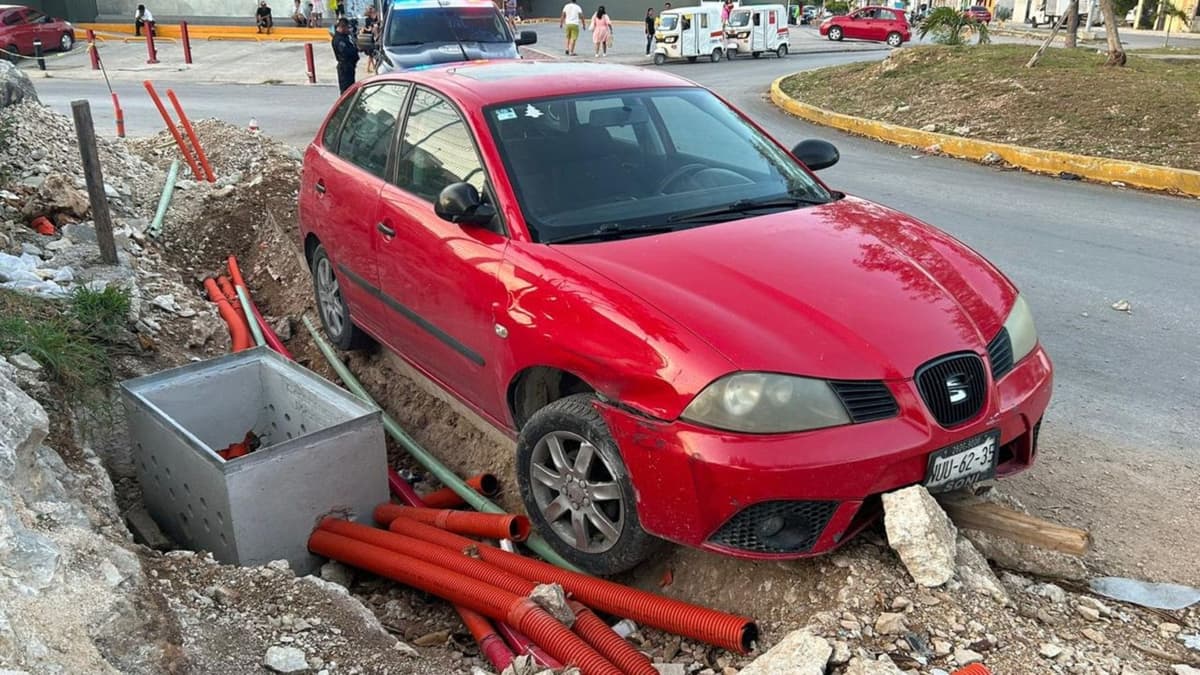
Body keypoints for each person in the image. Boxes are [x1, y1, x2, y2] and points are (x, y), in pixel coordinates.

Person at [332, 17, 359, 94]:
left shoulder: (345, 37)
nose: (348, 30)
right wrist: (355, 50)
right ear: (342, 27)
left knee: (351, 90)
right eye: (347, 27)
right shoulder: (338, 40)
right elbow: (347, 53)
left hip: (350, 67)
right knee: (346, 92)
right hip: (345, 68)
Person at [361, 4, 381, 71]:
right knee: (370, 54)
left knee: (371, 54)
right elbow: (368, 28)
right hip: (369, 37)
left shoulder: (374, 17)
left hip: (372, 36)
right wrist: (369, 29)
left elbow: (378, 22)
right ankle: (370, 67)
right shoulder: (367, 19)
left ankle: (371, 67)